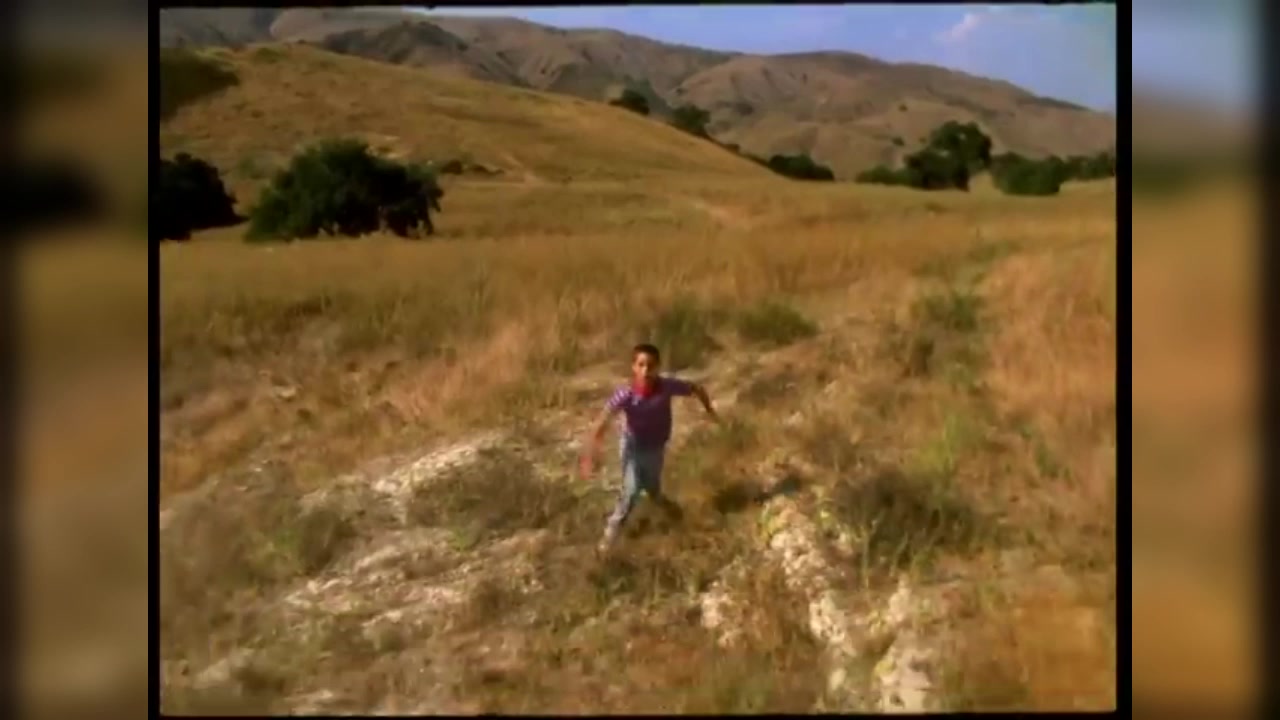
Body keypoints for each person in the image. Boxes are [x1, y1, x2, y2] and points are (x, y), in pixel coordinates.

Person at [579, 343, 720, 554]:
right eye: (641, 365)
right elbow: (601, 423)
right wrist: (590, 456)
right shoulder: (625, 394)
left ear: (658, 367)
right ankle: (610, 535)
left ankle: (673, 513)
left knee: (652, 489)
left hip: (656, 446)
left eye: (651, 366)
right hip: (632, 446)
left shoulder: (667, 386)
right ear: (633, 367)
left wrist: (709, 411)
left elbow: (696, 388)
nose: (646, 371)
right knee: (632, 490)